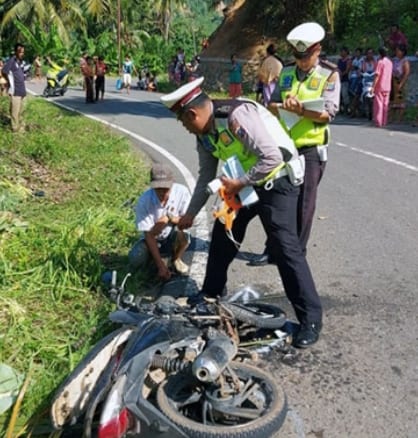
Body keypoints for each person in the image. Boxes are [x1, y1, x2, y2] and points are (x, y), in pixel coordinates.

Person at [161, 76, 323, 348]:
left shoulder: (237, 116)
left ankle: (311, 319)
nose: (186, 128)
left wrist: (240, 182)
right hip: (246, 184)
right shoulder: (205, 137)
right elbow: (205, 178)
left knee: (285, 249)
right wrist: (190, 214)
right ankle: (211, 293)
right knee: (224, 231)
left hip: (278, 181)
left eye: (184, 122)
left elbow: (272, 156)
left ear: (193, 113)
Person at [250, 22, 340, 265]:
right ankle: (272, 249)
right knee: (277, 201)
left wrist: (301, 111)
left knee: (303, 205)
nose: (302, 62)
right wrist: (282, 106)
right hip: (285, 147)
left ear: (317, 50)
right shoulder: (287, 72)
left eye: (306, 56)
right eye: (298, 56)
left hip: (311, 149)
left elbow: (328, 113)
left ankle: (295, 254)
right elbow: (271, 104)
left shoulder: (329, 74)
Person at [128, 163, 191, 281]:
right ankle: (154, 263)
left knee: (183, 233)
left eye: (166, 189)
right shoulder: (144, 201)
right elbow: (149, 235)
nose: (162, 193)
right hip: (154, 238)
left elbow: (188, 220)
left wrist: (169, 218)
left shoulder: (182, 192)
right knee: (136, 258)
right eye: (158, 189)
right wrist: (160, 266)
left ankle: (176, 258)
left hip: (173, 233)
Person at [2, 43, 27, 132]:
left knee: (21, 111)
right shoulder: (11, 61)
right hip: (15, 91)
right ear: (16, 52)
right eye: (20, 52)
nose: (22, 54)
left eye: (23, 52)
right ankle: (15, 129)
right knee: (14, 112)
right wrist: (8, 82)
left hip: (22, 91)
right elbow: (4, 71)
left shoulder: (20, 62)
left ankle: (20, 127)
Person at [371, 47, 393, 128]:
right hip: (387, 86)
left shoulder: (380, 62)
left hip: (380, 86)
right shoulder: (390, 62)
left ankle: (378, 121)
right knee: (385, 104)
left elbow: (377, 75)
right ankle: (384, 121)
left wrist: (373, 86)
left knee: (379, 104)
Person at [390, 44, 410, 123]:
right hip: (393, 81)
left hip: (400, 80)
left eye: (398, 51)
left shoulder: (405, 61)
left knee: (400, 101)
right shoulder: (394, 60)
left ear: (402, 52)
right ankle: (391, 118)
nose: (396, 52)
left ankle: (399, 119)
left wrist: (401, 83)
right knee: (393, 100)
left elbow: (406, 73)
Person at [337, 46, 351, 114]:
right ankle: (340, 108)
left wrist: (341, 74)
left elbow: (347, 70)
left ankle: (347, 108)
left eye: (342, 51)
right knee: (339, 94)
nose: (341, 53)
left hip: (345, 79)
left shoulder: (348, 60)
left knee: (345, 94)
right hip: (339, 79)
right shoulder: (339, 60)